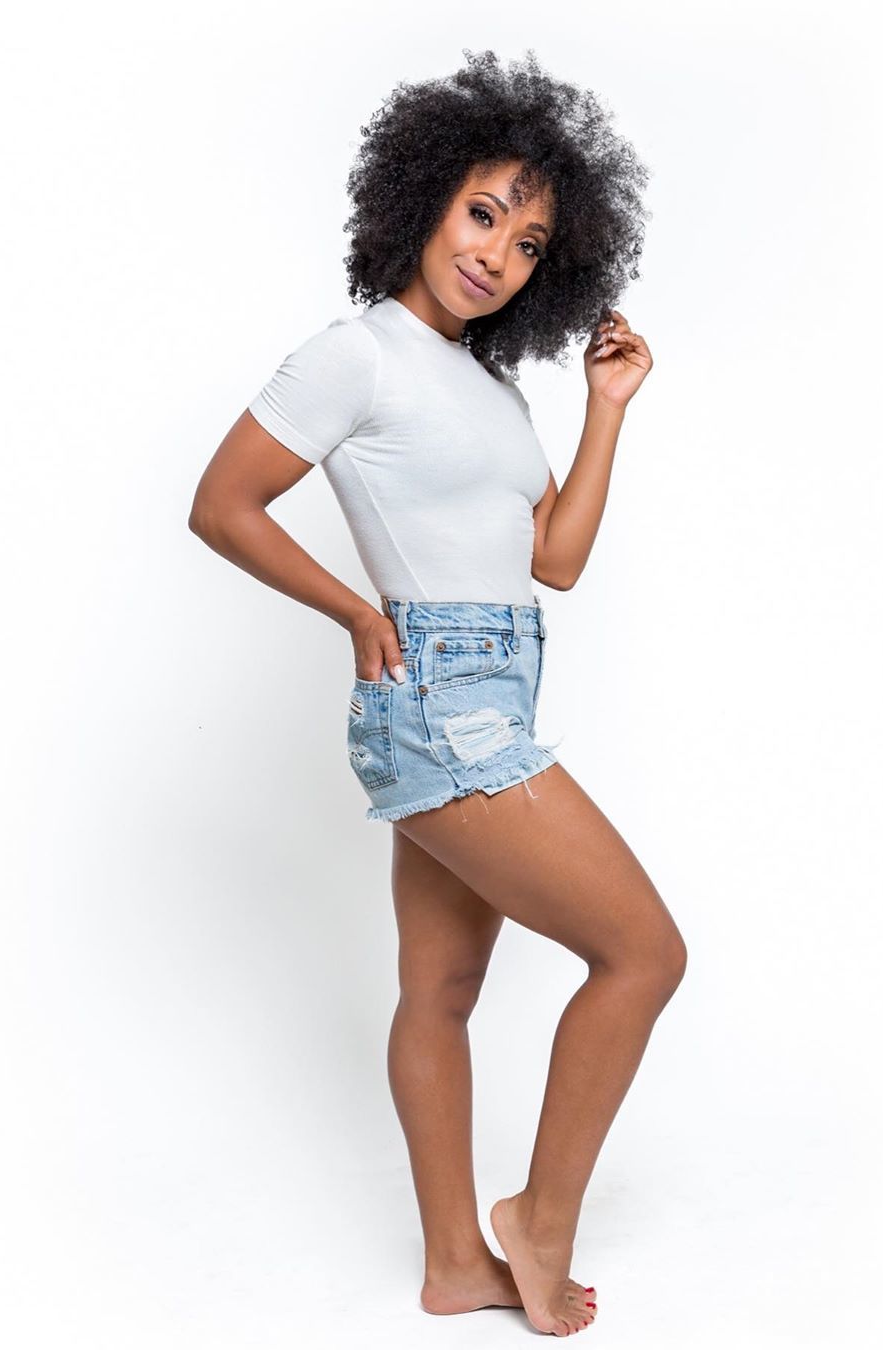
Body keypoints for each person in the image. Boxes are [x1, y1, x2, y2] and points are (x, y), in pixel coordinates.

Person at [189, 49, 687, 1340]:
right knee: (643, 953)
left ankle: (456, 1262)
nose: (495, 256)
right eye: (482, 213)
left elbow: (555, 560)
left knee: (442, 995)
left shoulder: (490, 386)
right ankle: (538, 1222)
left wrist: (607, 407)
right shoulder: (354, 355)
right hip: (439, 696)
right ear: (421, 195)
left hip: (496, 683)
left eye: (529, 245)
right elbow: (222, 504)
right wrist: (358, 611)